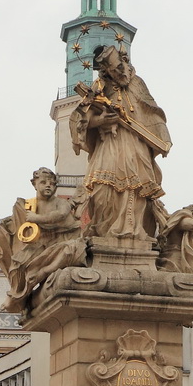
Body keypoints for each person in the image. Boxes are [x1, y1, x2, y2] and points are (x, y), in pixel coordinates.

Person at [69, 45, 172, 242]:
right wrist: (102, 121)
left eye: (122, 66)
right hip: (110, 142)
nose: (121, 71)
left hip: (136, 142)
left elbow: (152, 111)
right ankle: (104, 231)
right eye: (115, 69)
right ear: (106, 70)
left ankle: (134, 231)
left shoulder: (137, 83)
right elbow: (81, 118)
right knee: (102, 189)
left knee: (138, 187)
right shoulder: (99, 88)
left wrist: (162, 139)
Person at [0, 167, 86, 313]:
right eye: (43, 182)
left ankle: (39, 277)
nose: (48, 185)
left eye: (51, 183)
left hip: (62, 240)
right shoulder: (29, 205)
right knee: (18, 265)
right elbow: (18, 226)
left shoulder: (60, 203)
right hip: (40, 244)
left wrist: (37, 218)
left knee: (68, 250)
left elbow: (61, 215)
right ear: (35, 184)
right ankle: (17, 295)